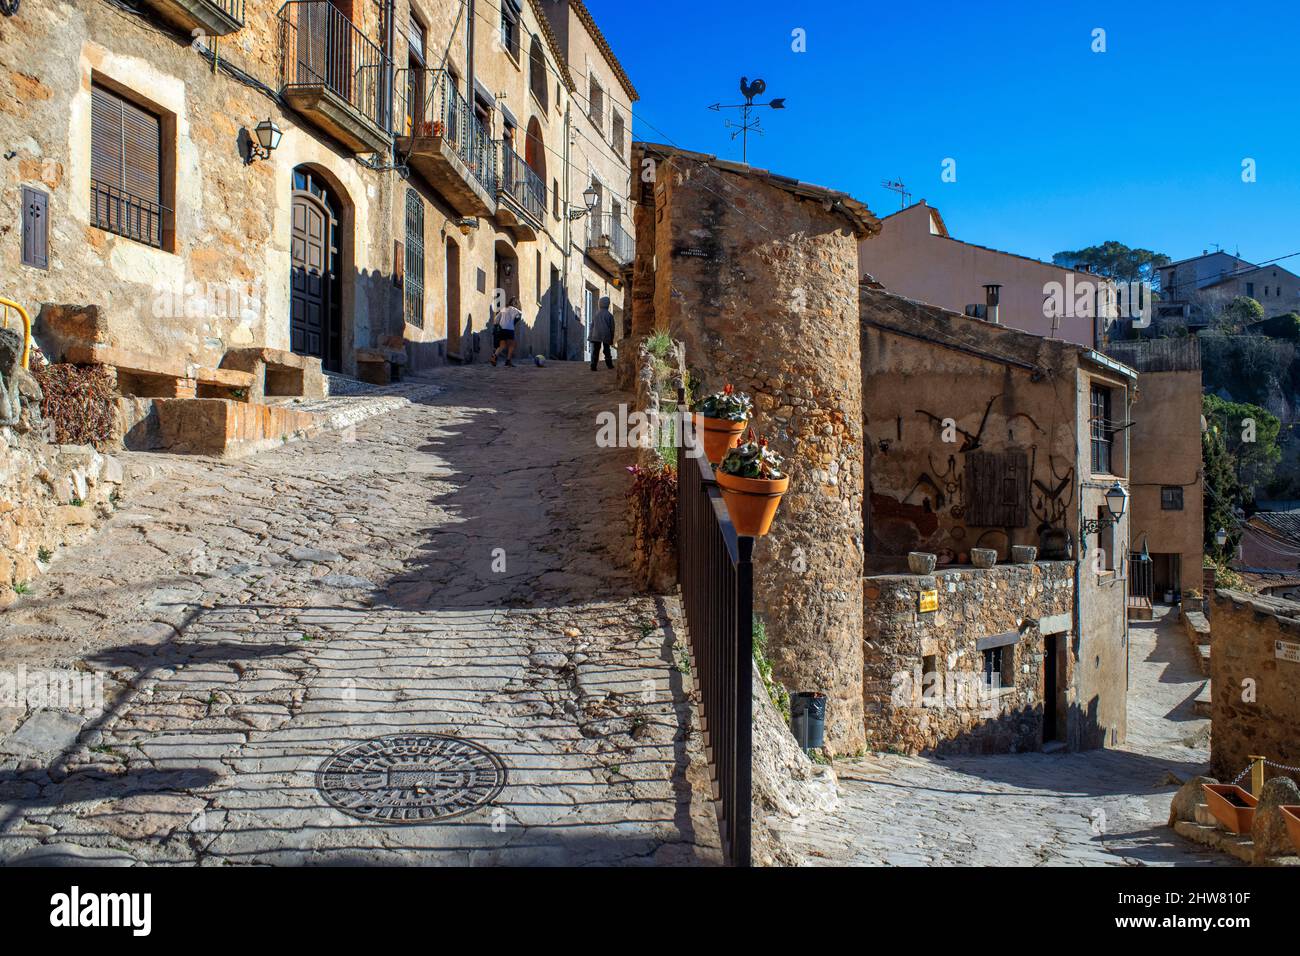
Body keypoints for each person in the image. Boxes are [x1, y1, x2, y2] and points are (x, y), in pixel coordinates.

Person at [491, 296, 522, 367]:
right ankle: (508, 361)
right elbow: (520, 315)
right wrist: (514, 322)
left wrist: (497, 326)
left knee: (502, 345)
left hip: (502, 329)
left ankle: (494, 356)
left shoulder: (503, 309)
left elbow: (496, 319)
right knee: (512, 345)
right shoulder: (515, 310)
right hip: (510, 329)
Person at [588, 296, 615, 371]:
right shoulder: (609, 315)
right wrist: (611, 338)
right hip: (606, 335)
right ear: (608, 304)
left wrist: (590, 336)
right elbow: (612, 328)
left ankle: (593, 366)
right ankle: (609, 365)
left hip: (596, 335)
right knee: (607, 350)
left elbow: (592, 326)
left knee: (595, 351)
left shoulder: (596, 314)